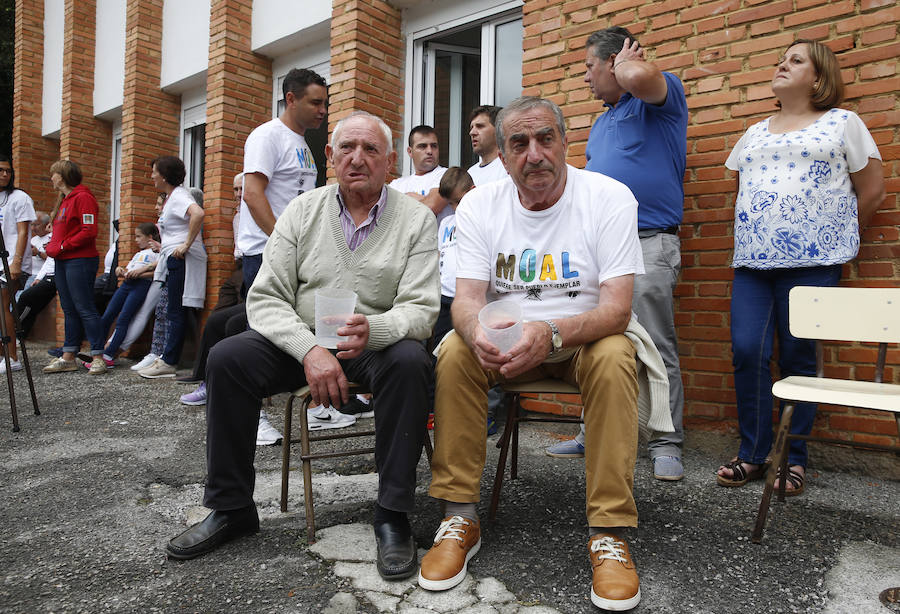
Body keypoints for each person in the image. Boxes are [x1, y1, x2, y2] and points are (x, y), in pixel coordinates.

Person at [165, 112, 439, 584]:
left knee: (412, 361)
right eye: (347, 148)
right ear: (329, 157)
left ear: (391, 162)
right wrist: (309, 349)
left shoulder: (415, 219)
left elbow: (421, 308)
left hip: (371, 338)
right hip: (301, 339)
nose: (358, 158)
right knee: (227, 358)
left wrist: (373, 330)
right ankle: (231, 508)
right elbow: (266, 297)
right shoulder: (300, 211)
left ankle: (392, 513)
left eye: (371, 150)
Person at [419, 97, 666, 611]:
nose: (534, 154)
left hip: (584, 335)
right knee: (456, 354)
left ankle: (609, 532)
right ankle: (460, 514)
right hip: (506, 337)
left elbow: (617, 310)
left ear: (565, 141)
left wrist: (551, 333)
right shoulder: (479, 204)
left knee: (616, 354)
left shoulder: (608, 196)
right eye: (519, 144)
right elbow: (466, 299)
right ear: (503, 156)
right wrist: (475, 331)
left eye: (545, 139)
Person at [716, 39, 885, 496]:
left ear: (819, 76)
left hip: (812, 263)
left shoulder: (843, 123)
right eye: (781, 59)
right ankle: (753, 453)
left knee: (797, 357)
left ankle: (793, 458)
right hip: (753, 262)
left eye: (796, 60)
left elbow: (872, 189)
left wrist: (839, 239)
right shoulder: (754, 131)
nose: (782, 64)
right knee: (747, 350)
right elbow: (742, 189)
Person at [547, 26, 689, 483]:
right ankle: (593, 430)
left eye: (590, 67)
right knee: (597, 341)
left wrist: (629, 67)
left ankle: (666, 441)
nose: (585, 78)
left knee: (654, 341)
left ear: (614, 64)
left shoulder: (659, 100)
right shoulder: (603, 121)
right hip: (601, 249)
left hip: (648, 241)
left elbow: (646, 80)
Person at [137, 156, 206, 378]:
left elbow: (198, 213)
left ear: (164, 175)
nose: (152, 176)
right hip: (173, 258)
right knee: (173, 309)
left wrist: (186, 244)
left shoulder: (178, 196)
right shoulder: (172, 198)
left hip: (180, 258)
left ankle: (169, 361)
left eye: (154, 171)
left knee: (175, 309)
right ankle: (168, 357)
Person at [42, 159, 107, 375]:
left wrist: (61, 245)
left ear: (62, 176)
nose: (51, 178)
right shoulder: (65, 200)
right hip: (63, 260)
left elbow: (89, 231)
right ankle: (69, 355)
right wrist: (55, 244)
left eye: (54, 174)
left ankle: (98, 356)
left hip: (80, 260)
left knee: (85, 307)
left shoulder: (83, 197)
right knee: (69, 308)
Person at [93, 222, 160, 367]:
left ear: (149, 237)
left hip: (140, 286)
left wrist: (140, 274)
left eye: (138, 237)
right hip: (126, 285)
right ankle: (97, 350)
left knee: (124, 318)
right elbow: (129, 269)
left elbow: (157, 273)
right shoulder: (138, 254)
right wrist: (120, 270)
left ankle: (109, 354)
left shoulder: (157, 254)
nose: (136, 240)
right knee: (108, 315)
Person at [0, 154, 37, 374]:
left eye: (8, 171)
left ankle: (12, 357)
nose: (5, 174)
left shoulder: (20, 197)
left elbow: (23, 232)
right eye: (1, 170)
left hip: (14, 262)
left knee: (3, 304)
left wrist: (15, 263)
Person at [389, 125, 451, 225]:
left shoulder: (447, 175)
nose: (429, 151)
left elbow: (431, 206)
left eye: (434, 146)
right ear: (410, 152)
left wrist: (405, 199)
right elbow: (384, 218)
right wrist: (423, 199)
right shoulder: (396, 185)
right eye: (422, 146)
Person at [466, 106, 508, 186]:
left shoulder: (508, 167)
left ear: (499, 130)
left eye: (480, 126)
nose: (472, 132)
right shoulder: (470, 173)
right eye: (471, 127)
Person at [18, 213, 51, 299]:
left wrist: (38, 253)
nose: (33, 228)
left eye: (36, 225)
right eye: (31, 225)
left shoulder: (51, 238)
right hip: (26, 274)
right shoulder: (34, 239)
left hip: (39, 276)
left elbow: (52, 259)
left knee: (20, 298)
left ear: (46, 224)